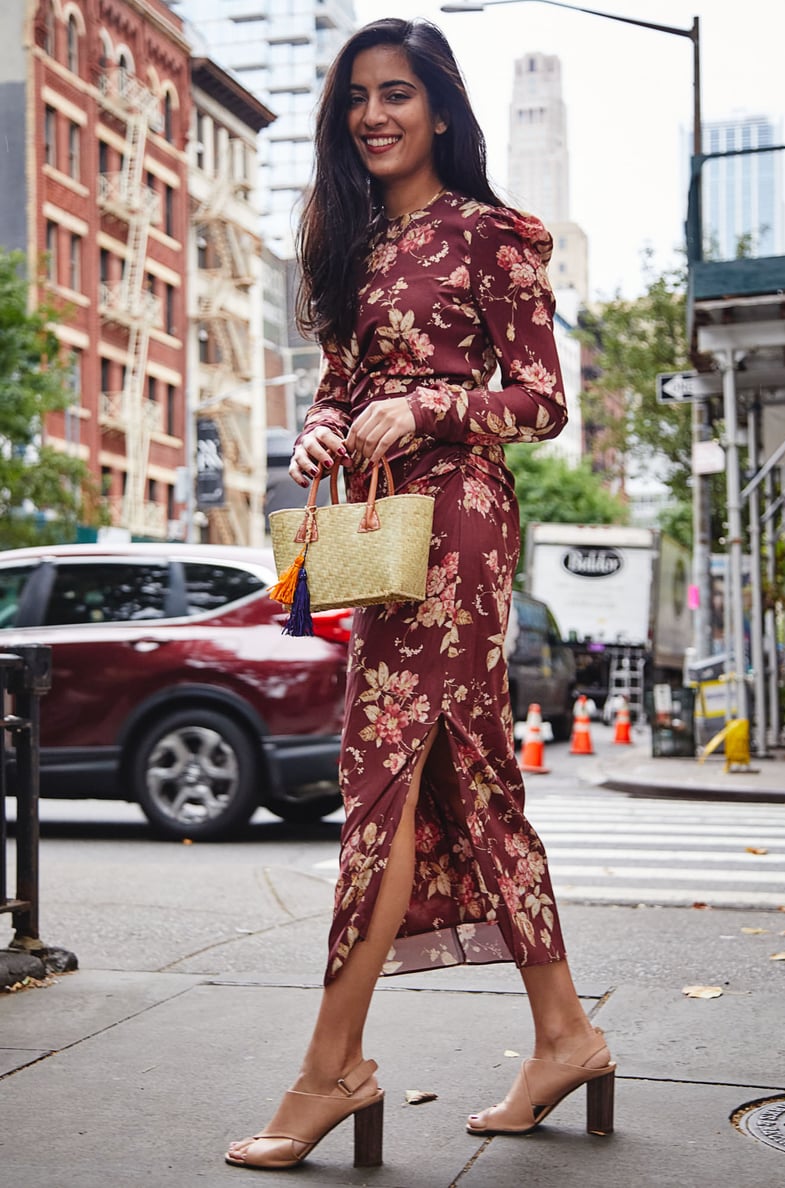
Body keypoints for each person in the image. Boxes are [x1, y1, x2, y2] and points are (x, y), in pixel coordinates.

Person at [226, 17, 615, 1172]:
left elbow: (541, 400)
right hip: (375, 522)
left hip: (460, 520)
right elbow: (338, 385)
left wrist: (435, 405)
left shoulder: (494, 235)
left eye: (397, 93)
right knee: (474, 775)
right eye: (357, 98)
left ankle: (330, 1068)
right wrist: (322, 431)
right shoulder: (340, 238)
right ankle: (565, 1035)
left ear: (440, 108)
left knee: (379, 773)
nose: (373, 115)